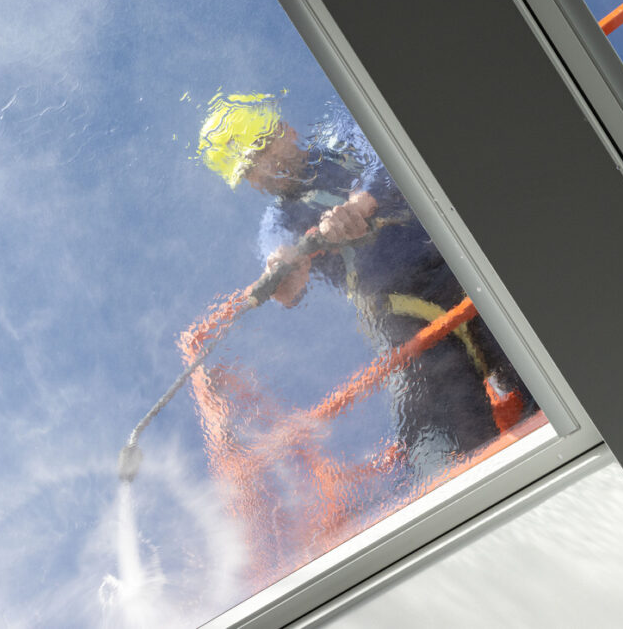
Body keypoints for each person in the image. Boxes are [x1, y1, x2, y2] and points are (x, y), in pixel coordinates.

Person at [197, 92, 531, 473]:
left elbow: (392, 151)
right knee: (440, 437)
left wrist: (363, 200)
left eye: (261, 149)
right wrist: (285, 277)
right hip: (405, 319)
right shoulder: (278, 222)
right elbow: (281, 262)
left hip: (468, 273)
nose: (263, 170)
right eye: (248, 170)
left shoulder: (343, 136)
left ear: (286, 130)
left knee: (549, 370)